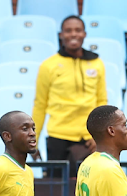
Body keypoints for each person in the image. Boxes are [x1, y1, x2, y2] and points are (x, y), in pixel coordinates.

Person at [32, 15, 107, 177]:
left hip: (88, 138)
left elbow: (102, 103)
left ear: (84, 34)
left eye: (78, 30)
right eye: (68, 31)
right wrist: (33, 140)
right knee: (58, 190)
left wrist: (99, 136)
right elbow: (40, 104)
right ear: (61, 35)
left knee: (89, 188)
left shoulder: (97, 63)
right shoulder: (48, 65)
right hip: (58, 137)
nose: (73, 34)